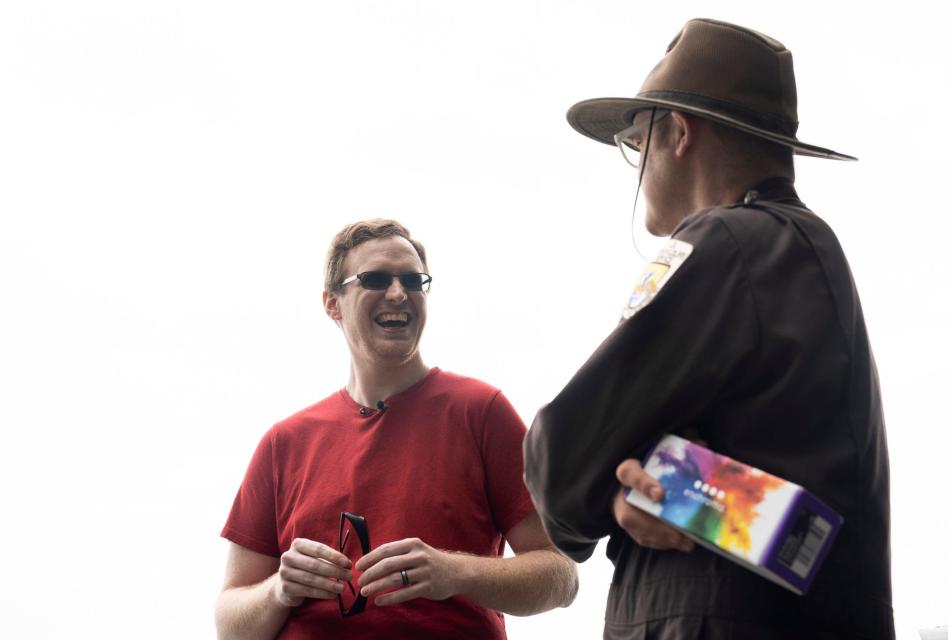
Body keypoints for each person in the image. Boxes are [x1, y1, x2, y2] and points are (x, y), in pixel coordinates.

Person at [522, 18, 894, 639]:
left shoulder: (729, 240)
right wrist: (642, 474)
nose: (638, 164)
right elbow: (768, 480)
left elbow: (559, 461)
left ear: (681, 133)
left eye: (639, 144)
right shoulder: (802, 250)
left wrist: (608, 472)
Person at [216, 219, 577, 640]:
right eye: (374, 279)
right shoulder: (283, 443)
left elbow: (560, 574)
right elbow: (230, 624)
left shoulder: (481, 412)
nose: (397, 292)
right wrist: (279, 589)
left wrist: (454, 571)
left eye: (412, 280)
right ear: (333, 303)